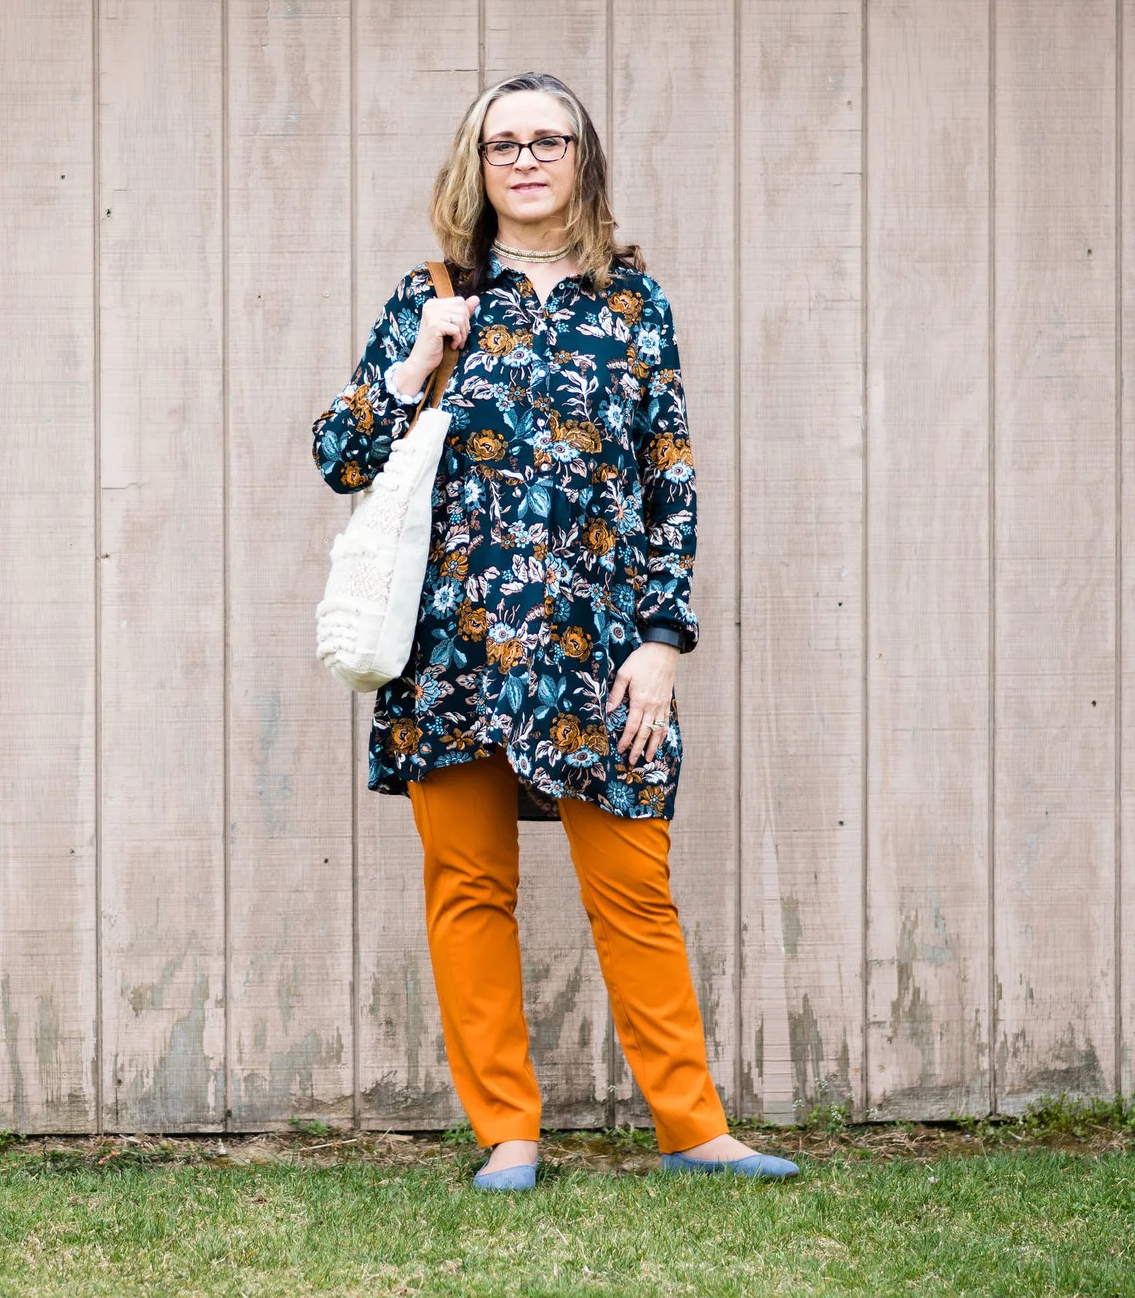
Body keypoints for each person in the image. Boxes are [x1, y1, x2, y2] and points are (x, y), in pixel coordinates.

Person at [312, 72, 798, 1190]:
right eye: (505, 144)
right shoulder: (431, 295)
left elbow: (669, 481)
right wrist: (416, 361)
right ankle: (509, 1133)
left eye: (549, 141)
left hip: (596, 649)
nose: (526, 159)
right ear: (476, 165)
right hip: (454, 648)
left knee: (633, 888)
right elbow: (340, 455)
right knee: (468, 888)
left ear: (583, 161)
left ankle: (693, 1129)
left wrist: (662, 641)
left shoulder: (635, 306)